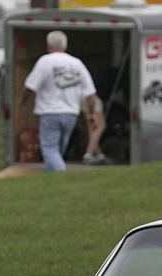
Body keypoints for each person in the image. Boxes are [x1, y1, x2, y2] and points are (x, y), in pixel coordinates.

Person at [21, 30, 98, 172]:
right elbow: (90, 93)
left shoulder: (45, 61)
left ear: (49, 46)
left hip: (50, 113)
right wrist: (92, 113)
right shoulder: (77, 64)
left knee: (50, 150)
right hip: (71, 114)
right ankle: (50, 181)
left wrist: (22, 100)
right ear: (65, 46)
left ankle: (63, 177)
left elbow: (30, 86)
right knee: (58, 152)